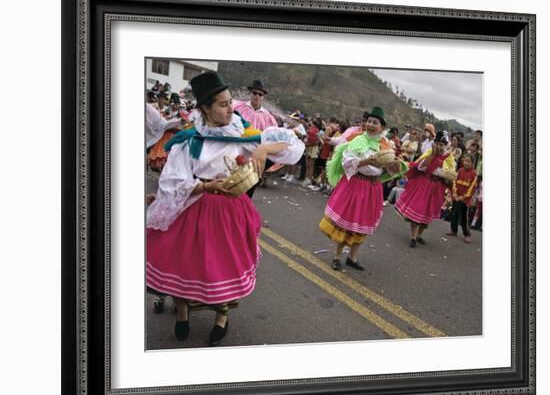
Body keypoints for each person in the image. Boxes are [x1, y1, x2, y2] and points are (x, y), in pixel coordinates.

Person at [146, 71, 304, 346]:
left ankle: (222, 317)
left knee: (224, 267)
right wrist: (206, 187)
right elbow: (173, 181)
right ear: (205, 108)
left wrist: (264, 150)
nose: (230, 108)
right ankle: (182, 313)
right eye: (222, 104)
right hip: (194, 208)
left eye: (230, 102)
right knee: (184, 264)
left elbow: (292, 143)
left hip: (231, 211)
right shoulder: (189, 140)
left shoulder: (244, 133)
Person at [319, 107, 407, 271]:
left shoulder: (385, 145)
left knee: (362, 223)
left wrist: (395, 165)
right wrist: (368, 161)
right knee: (346, 222)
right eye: (369, 121)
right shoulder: (357, 140)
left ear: (382, 127)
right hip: (355, 185)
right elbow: (347, 162)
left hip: (372, 188)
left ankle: (352, 257)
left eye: (375, 122)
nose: (371, 125)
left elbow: (389, 169)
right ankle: (337, 256)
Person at [395, 131, 456, 247]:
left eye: (441, 144)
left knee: (428, 214)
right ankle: (413, 237)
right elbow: (421, 167)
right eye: (437, 143)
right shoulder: (429, 153)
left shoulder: (449, 159)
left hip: (436, 189)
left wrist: (444, 175)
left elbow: (450, 176)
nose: (438, 146)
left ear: (445, 146)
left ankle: (418, 235)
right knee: (418, 209)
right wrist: (432, 156)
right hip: (423, 185)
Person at [446, 153, 478, 243]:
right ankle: (454, 230)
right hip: (456, 197)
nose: (466, 163)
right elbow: (455, 183)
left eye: (469, 161)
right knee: (454, 213)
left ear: (472, 163)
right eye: (465, 161)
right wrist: (455, 194)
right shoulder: (460, 170)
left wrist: (462, 197)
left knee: (464, 217)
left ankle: (467, 234)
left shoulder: (474, 174)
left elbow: (471, 189)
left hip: (465, 200)